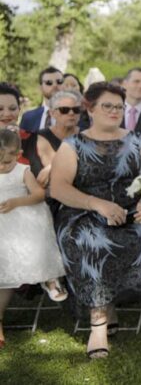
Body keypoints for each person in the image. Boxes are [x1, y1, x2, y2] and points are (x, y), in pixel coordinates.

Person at [49, 82, 141, 359]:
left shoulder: (139, 140)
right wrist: (97, 204)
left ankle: (109, 304)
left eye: (119, 106)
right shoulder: (73, 146)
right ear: (90, 109)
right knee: (91, 242)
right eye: (108, 105)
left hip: (132, 212)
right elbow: (58, 188)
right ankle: (98, 326)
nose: (115, 111)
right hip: (84, 213)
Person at [0, 129, 68, 349]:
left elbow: (39, 194)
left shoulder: (23, 170)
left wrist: (16, 202)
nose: (2, 167)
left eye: (7, 162)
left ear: (18, 154)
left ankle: (48, 277)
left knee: (32, 246)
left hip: (23, 217)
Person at [34, 90, 83, 188]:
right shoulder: (41, 136)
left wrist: (51, 166)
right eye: (64, 110)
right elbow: (49, 178)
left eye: (76, 109)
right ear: (52, 113)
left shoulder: (86, 135)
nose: (71, 113)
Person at [19, 66, 64, 133]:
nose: (55, 85)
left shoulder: (77, 116)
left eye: (59, 81)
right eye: (49, 82)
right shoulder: (28, 117)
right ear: (40, 88)